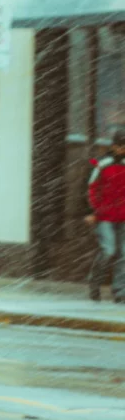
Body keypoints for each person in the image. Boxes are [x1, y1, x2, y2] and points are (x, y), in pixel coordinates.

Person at [85, 128, 125, 304]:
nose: (121, 149)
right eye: (119, 145)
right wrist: (92, 211)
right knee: (108, 250)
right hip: (105, 216)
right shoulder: (101, 163)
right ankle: (95, 281)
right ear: (114, 145)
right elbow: (89, 187)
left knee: (124, 254)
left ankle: (120, 291)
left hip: (123, 216)